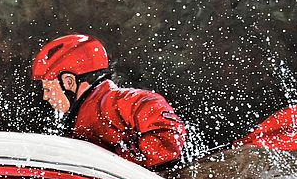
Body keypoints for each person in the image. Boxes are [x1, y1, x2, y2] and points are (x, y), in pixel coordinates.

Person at [32, 34, 186, 168]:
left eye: (48, 90)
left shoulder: (124, 102)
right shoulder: (83, 118)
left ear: (68, 82)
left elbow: (168, 141)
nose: (46, 97)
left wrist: (116, 163)